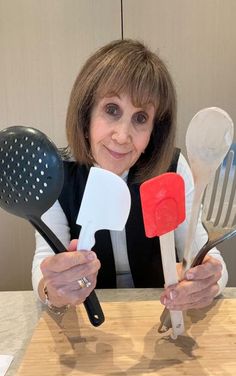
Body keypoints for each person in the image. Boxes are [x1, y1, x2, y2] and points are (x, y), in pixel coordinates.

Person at [32, 39, 227, 316]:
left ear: (153, 130)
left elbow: (210, 259)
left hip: (158, 317)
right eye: (112, 110)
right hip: (88, 321)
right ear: (86, 115)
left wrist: (207, 282)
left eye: (140, 118)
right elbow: (44, 265)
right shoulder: (57, 175)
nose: (122, 136)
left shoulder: (172, 168)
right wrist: (54, 291)